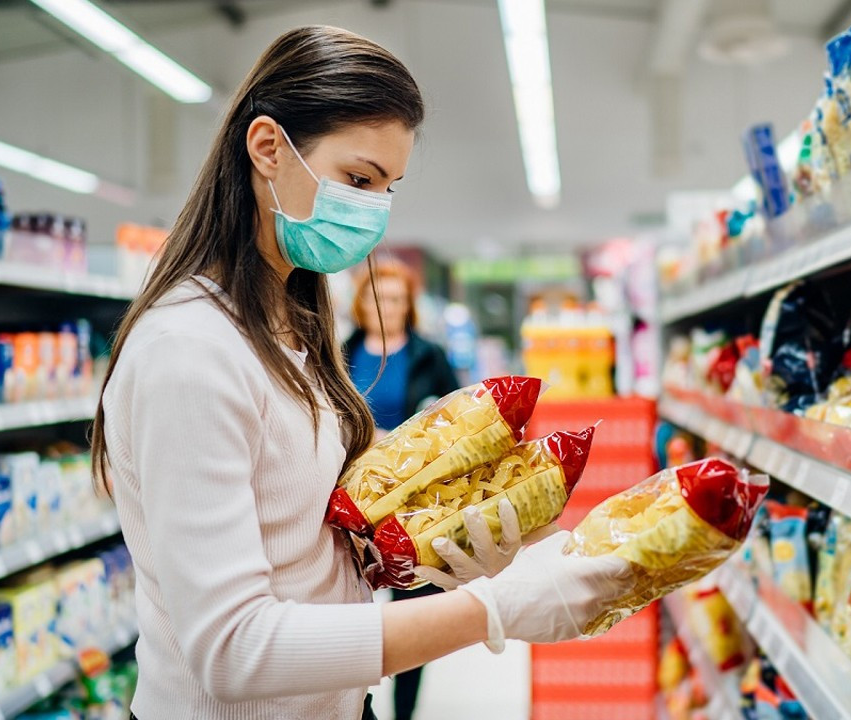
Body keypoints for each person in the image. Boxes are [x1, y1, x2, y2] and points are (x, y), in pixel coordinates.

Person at [90, 26, 631, 720]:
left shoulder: (293, 324)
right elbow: (230, 650)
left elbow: (295, 542)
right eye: (358, 180)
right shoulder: (188, 349)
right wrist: (490, 610)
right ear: (266, 149)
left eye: (388, 188)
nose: (374, 211)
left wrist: (419, 552)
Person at [343, 261, 458, 720]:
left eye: (394, 298)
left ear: (408, 306)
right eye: (376, 297)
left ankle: (403, 712)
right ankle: (356, 703)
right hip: (355, 504)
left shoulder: (430, 356)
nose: (384, 306)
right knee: (354, 608)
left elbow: (459, 418)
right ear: (361, 304)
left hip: (416, 507)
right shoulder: (341, 353)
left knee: (412, 613)